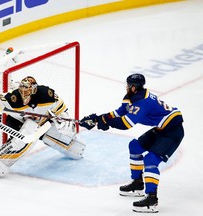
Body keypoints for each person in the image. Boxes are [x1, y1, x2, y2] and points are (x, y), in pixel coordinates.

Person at [79, 73, 184, 213]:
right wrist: (99, 118)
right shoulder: (133, 97)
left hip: (172, 131)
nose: (127, 87)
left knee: (151, 160)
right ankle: (137, 183)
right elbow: (118, 113)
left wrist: (106, 122)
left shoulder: (143, 102)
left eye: (128, 85)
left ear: (134, 87)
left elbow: (126, 123)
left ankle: (152, 200)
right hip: (161, 129)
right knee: (134, 146)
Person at [0, 76, 85, 178]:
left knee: (75, 149)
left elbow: (60, 107)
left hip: (41, 122)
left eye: (27, 94)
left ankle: (74, 147)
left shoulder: (46, 95)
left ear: (34, 91)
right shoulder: (14, 98)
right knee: (28, 133)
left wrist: (64, 120)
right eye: (22, 93)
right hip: (17, 123)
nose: (24, 98)